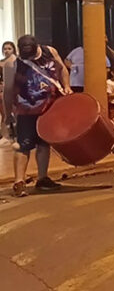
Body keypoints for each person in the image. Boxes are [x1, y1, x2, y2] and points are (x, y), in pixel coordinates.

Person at [7, 35, 72, 197]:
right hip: (26, 109)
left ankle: (42, 178)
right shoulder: (13, 63)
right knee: (24, 145)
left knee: (44, 143)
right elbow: (8, 91)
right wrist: (7, 114)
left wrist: (67, 86)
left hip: (49, 107)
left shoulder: (49, 52)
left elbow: (62, 68)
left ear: (37, 47)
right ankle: (19, 182)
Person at [1, 41, 17, 146]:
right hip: (2, 90)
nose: (7, 51)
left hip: (13, 90)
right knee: (4, 114)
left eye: (9, 48)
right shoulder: (1, 62)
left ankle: (16, 136)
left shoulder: (16, 61)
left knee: (15, 113)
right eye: (5, 49)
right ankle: (5, 136)